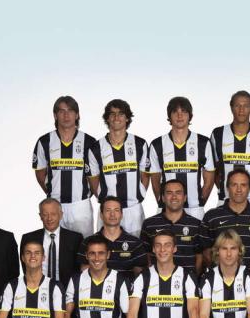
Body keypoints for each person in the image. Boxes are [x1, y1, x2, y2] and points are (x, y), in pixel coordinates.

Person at [32, 95, 97, 237]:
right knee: (55, 245)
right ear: (55, 115)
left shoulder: (89, 142)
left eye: (70, 111)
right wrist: (52, 192)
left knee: (84, 246)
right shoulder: (44, 141)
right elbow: (40, 174)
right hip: (55, 205)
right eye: (61, 111)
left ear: (77, 115)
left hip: (81, 205)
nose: (66, 115)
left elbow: (96, 175)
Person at [87, 98, 152, 236]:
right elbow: (93, 181)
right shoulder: (96, 148)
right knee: (105, 248)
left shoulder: (139, 144)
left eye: (121, 114)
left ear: (127, 118)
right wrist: (106, 201)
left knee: (137, 247)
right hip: (108, 212)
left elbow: (145, 176)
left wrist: (138, 193)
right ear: (107, 118)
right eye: (112, 114)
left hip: (133, 210)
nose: (116, 117)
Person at [149, 96, 216, 221]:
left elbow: (209, 179)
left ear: (190, 115)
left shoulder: (203, 142)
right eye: (175, 112)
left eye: (184, 111)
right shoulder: (157, 144)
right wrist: (164, 202)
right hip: (167, 210)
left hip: (194, 209)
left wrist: (199, 202)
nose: (179, 116)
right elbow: (155, 180)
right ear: (169, 116)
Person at [209, 90, 250, 214]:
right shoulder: (218, 134)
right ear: (231, 107)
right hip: (226, 198)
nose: (241, 110)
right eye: (237, 105)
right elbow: (214, 168)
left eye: (246, 106)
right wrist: (226, 188)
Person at [201, 168, 250, 276]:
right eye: (234, 185)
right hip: (220, 281)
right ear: (227, 188)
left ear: (249, 188)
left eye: (243, 185)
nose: (239, 189)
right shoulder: (211, 217)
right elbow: (206, 253)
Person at [140, 179, 205, 274]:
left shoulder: (196, 225)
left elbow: (199, 256)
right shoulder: (149, 224)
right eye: (169, 193)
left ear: (185, 198)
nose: (174, 197)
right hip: (157, 280)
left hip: (188, 281)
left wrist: (194, 279)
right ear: (163, 198)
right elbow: (146, 255)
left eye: (178, 193)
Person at [21, 198, 84, 289]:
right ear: (40, 216)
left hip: (67, 290)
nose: (49, 218)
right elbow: (26, 266)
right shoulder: (28, 238)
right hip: (37, 289)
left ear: (61, 215)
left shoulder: (75, 238)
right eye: (45, 214)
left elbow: (79, 268)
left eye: (53, 214)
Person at [81, 197, 147, 276]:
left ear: (121, 215)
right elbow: (84, 274)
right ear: (101, 215)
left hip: (127, 284)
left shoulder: (135, 243)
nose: (112, 214)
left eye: (116, 210)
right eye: (108, 210)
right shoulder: (87, 243)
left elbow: (140, 276)